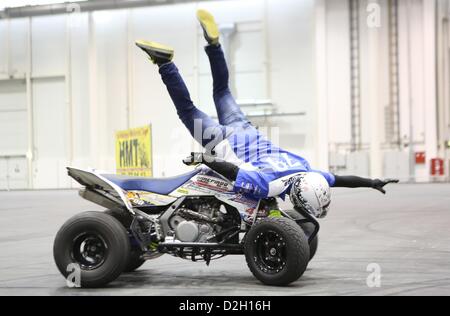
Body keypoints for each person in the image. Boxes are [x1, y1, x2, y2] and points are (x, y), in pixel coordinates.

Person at [135, 9, 398, 218]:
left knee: (222, 90)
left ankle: (214, 45)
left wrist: (371, 182)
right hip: (222, 141)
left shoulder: (307, 171)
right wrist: (203, 158)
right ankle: (165, 63)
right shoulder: (270, 185)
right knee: (187, 109)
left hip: (246, 131)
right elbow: (232, 172)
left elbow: (339, 179)